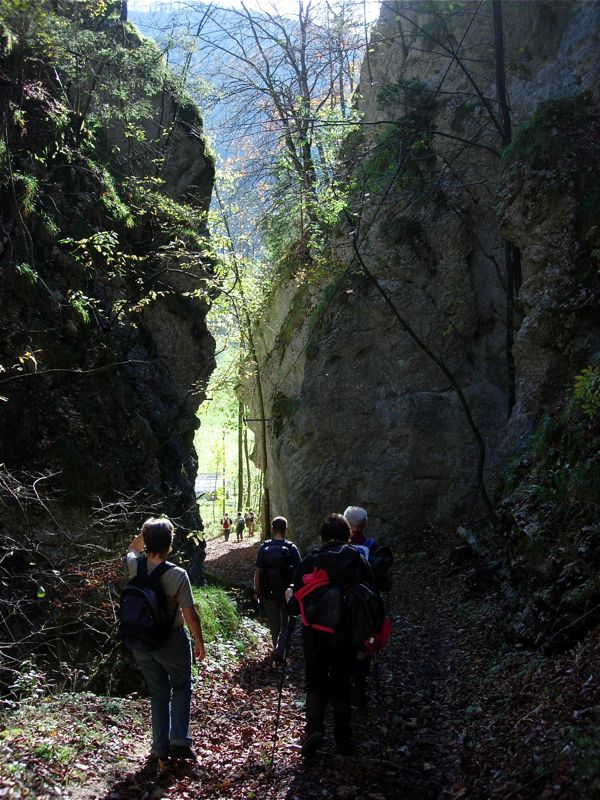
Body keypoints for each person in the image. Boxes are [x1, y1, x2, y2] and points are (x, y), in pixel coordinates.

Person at [287, 513, 375, 757]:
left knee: (315, 681)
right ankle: (343, 739)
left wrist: (288, 597)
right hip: (347, 632)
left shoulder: (311, 560)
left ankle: (314, 729)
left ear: (323, 536)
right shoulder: (358, 558)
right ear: (347, 535)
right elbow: (371, 594)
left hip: (314, 633)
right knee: (342, 682)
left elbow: (295, 605)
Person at [126, 517, 206, 760]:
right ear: (169, 545)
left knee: (158, 692)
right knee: (181, 685)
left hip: (140, 640)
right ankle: (179, 739)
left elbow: (132, 548)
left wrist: (146, 532)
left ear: (147, 541)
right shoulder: (178, 575)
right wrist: (200, 643)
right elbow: (190, 616)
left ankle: (159, 747)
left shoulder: (134, 566)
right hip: (172, 639)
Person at [254, 516, 301, 660]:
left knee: (274, 625)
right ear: (285, 529)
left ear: (272, 529)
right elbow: (300, 571)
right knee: (286, 624)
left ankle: (276, 648)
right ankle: (282, 652)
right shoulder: (291, 547)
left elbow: (258, 571)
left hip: (268, 592)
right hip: (287, 593)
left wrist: (257, 591)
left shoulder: (264, 547)